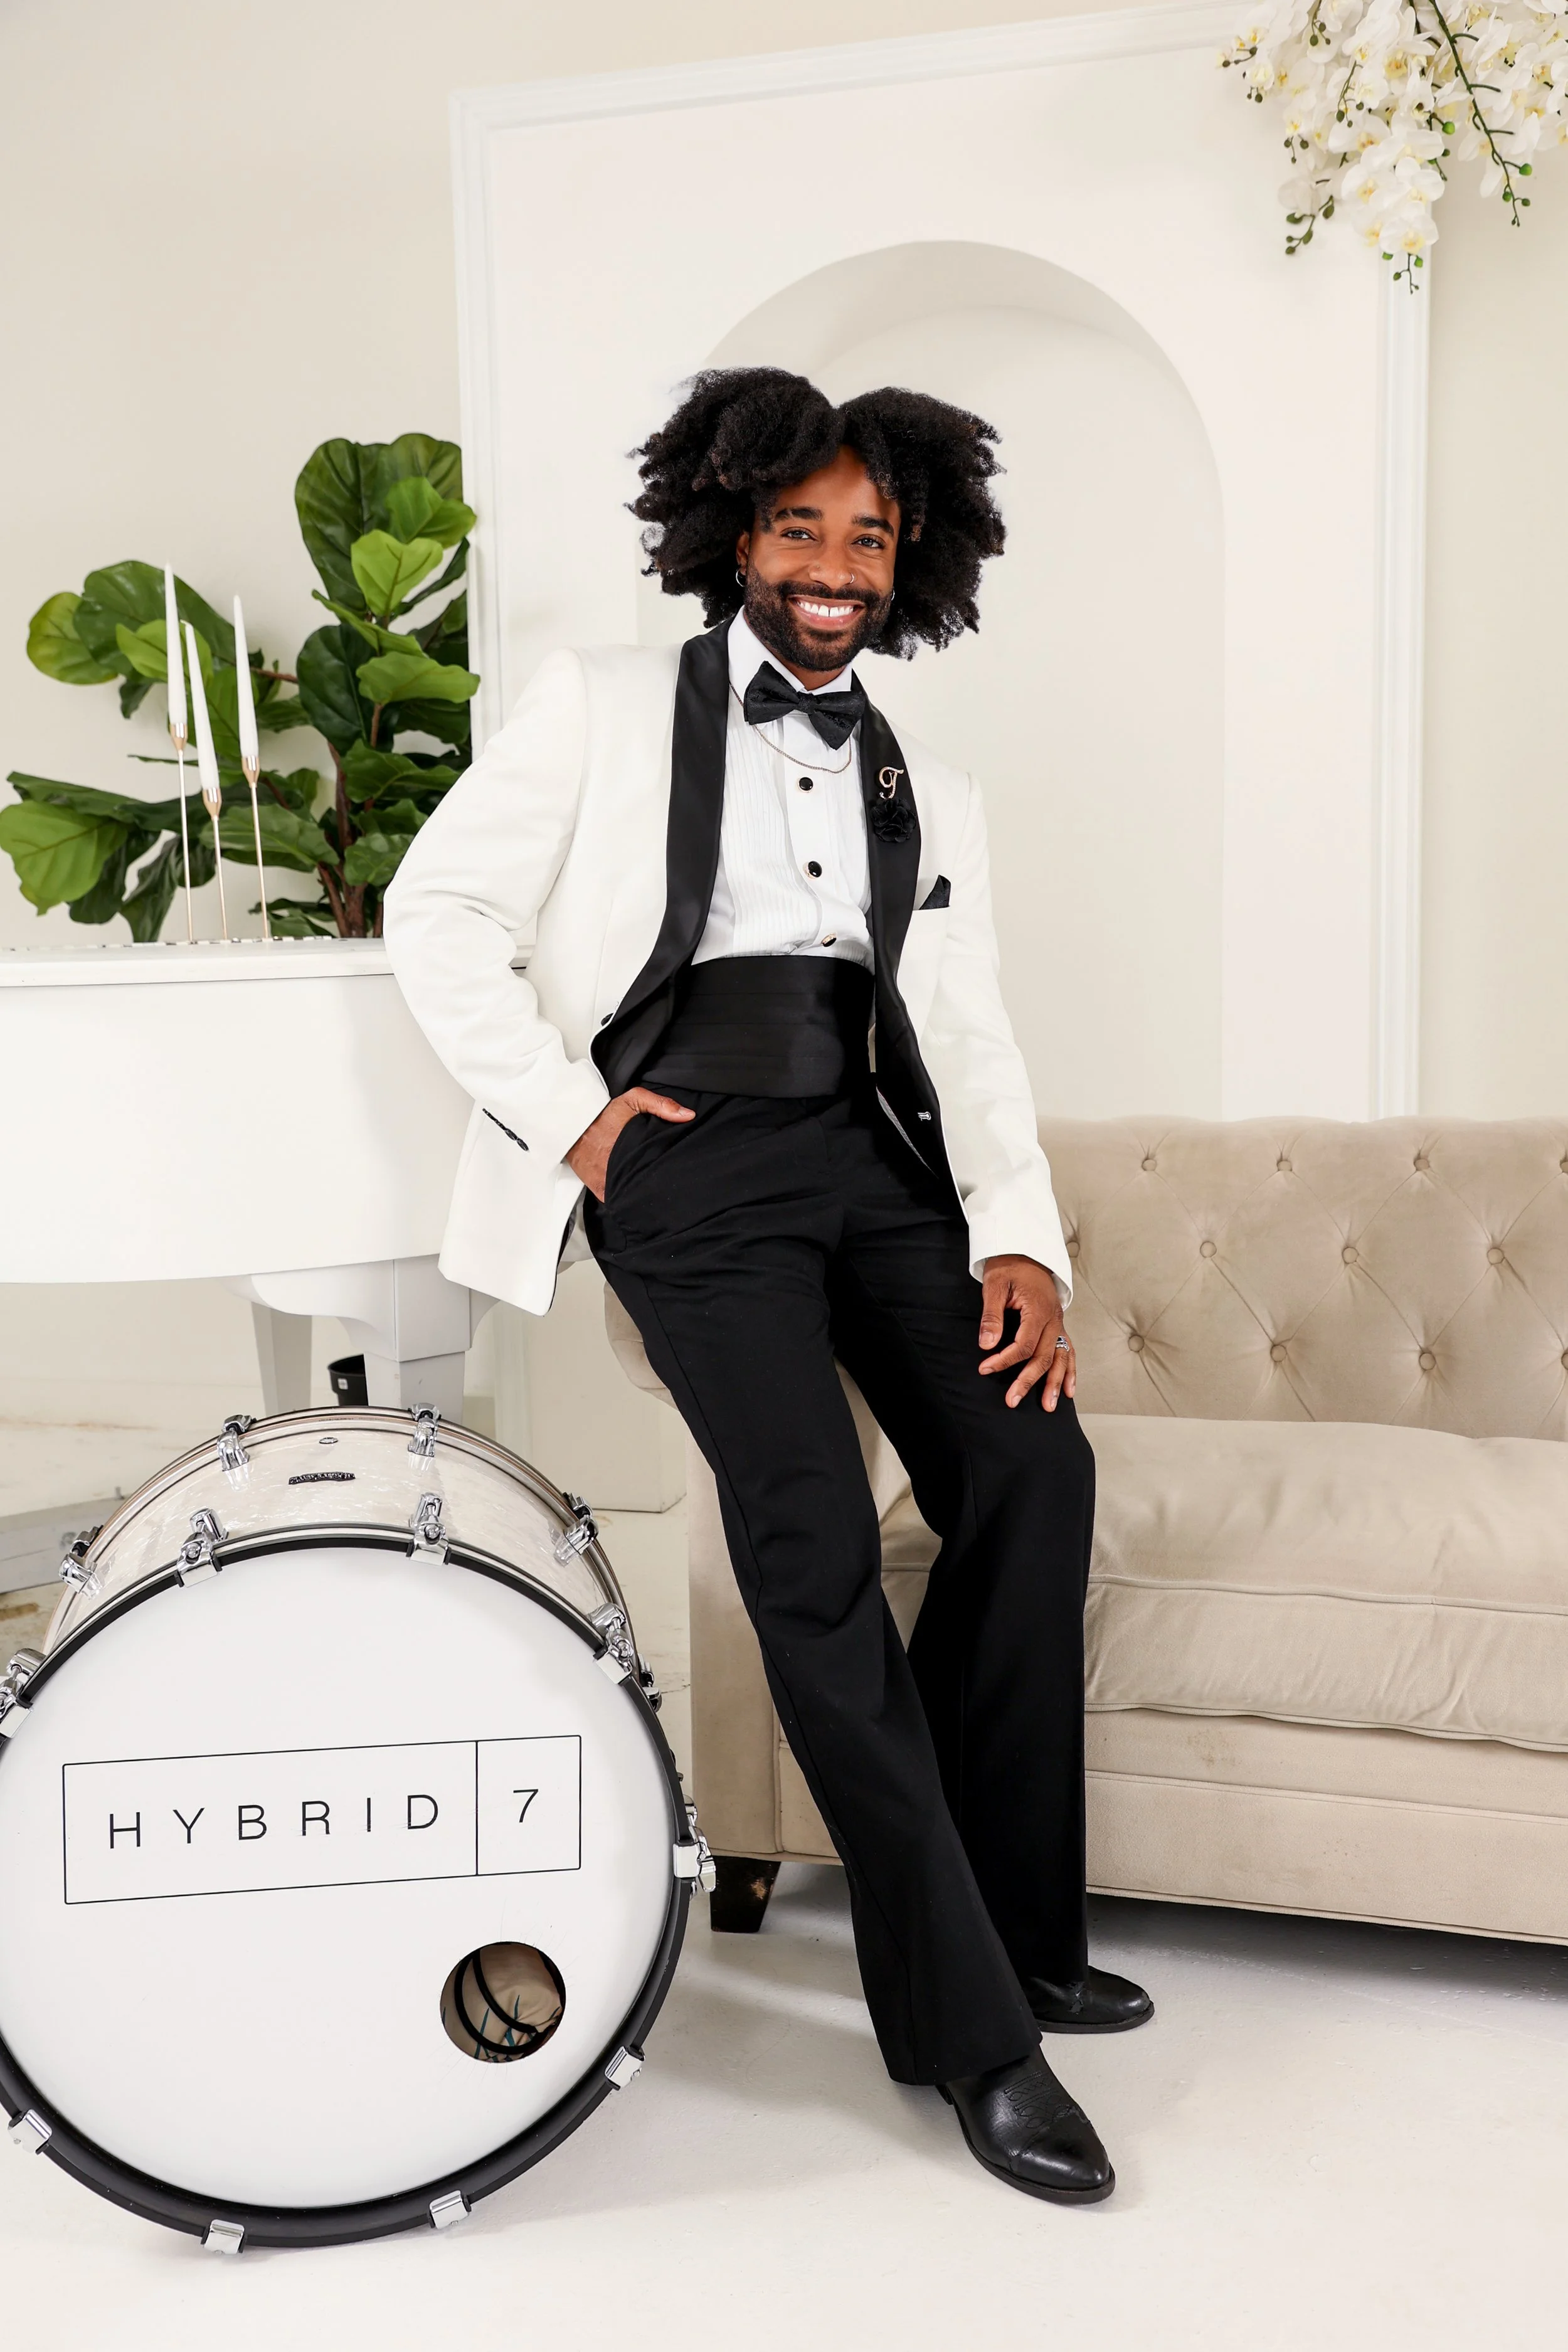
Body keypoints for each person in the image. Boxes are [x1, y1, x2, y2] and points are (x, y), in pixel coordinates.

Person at [384, 367, 1152, 2205]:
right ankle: (974, 2033)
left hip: (869, 1154)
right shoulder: (599, 706)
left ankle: (1010, 1922)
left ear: (910, 559)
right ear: (735, 533)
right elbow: (439, 908)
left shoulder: (927, 782)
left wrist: (1018, 1235)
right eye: (798, 527)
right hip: (688, 1160)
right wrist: (579, 1123)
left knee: (1031, 1470)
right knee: (808, 1542)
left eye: (865, 538)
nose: (830, 566)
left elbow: (963, 1026)